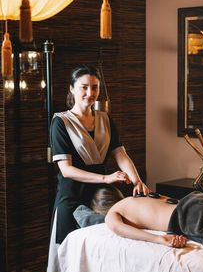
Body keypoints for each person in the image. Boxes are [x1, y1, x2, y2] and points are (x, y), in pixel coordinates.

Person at [50, 64, 149, 245]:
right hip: (72, 196)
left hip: (101, 198)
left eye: (95, 87)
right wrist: (105, 178)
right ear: (72, 89)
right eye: (84, 87)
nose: (90, 93)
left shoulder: (105, 119)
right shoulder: (61, 122)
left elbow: (120, 154)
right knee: (71, 253)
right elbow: (66, 170)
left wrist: (137, 181)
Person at [105, 191, 203, 251]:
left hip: (188, 216)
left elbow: (118, 229)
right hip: (198, 199)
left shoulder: (112, 212)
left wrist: (159, 239)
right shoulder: (137, 196)